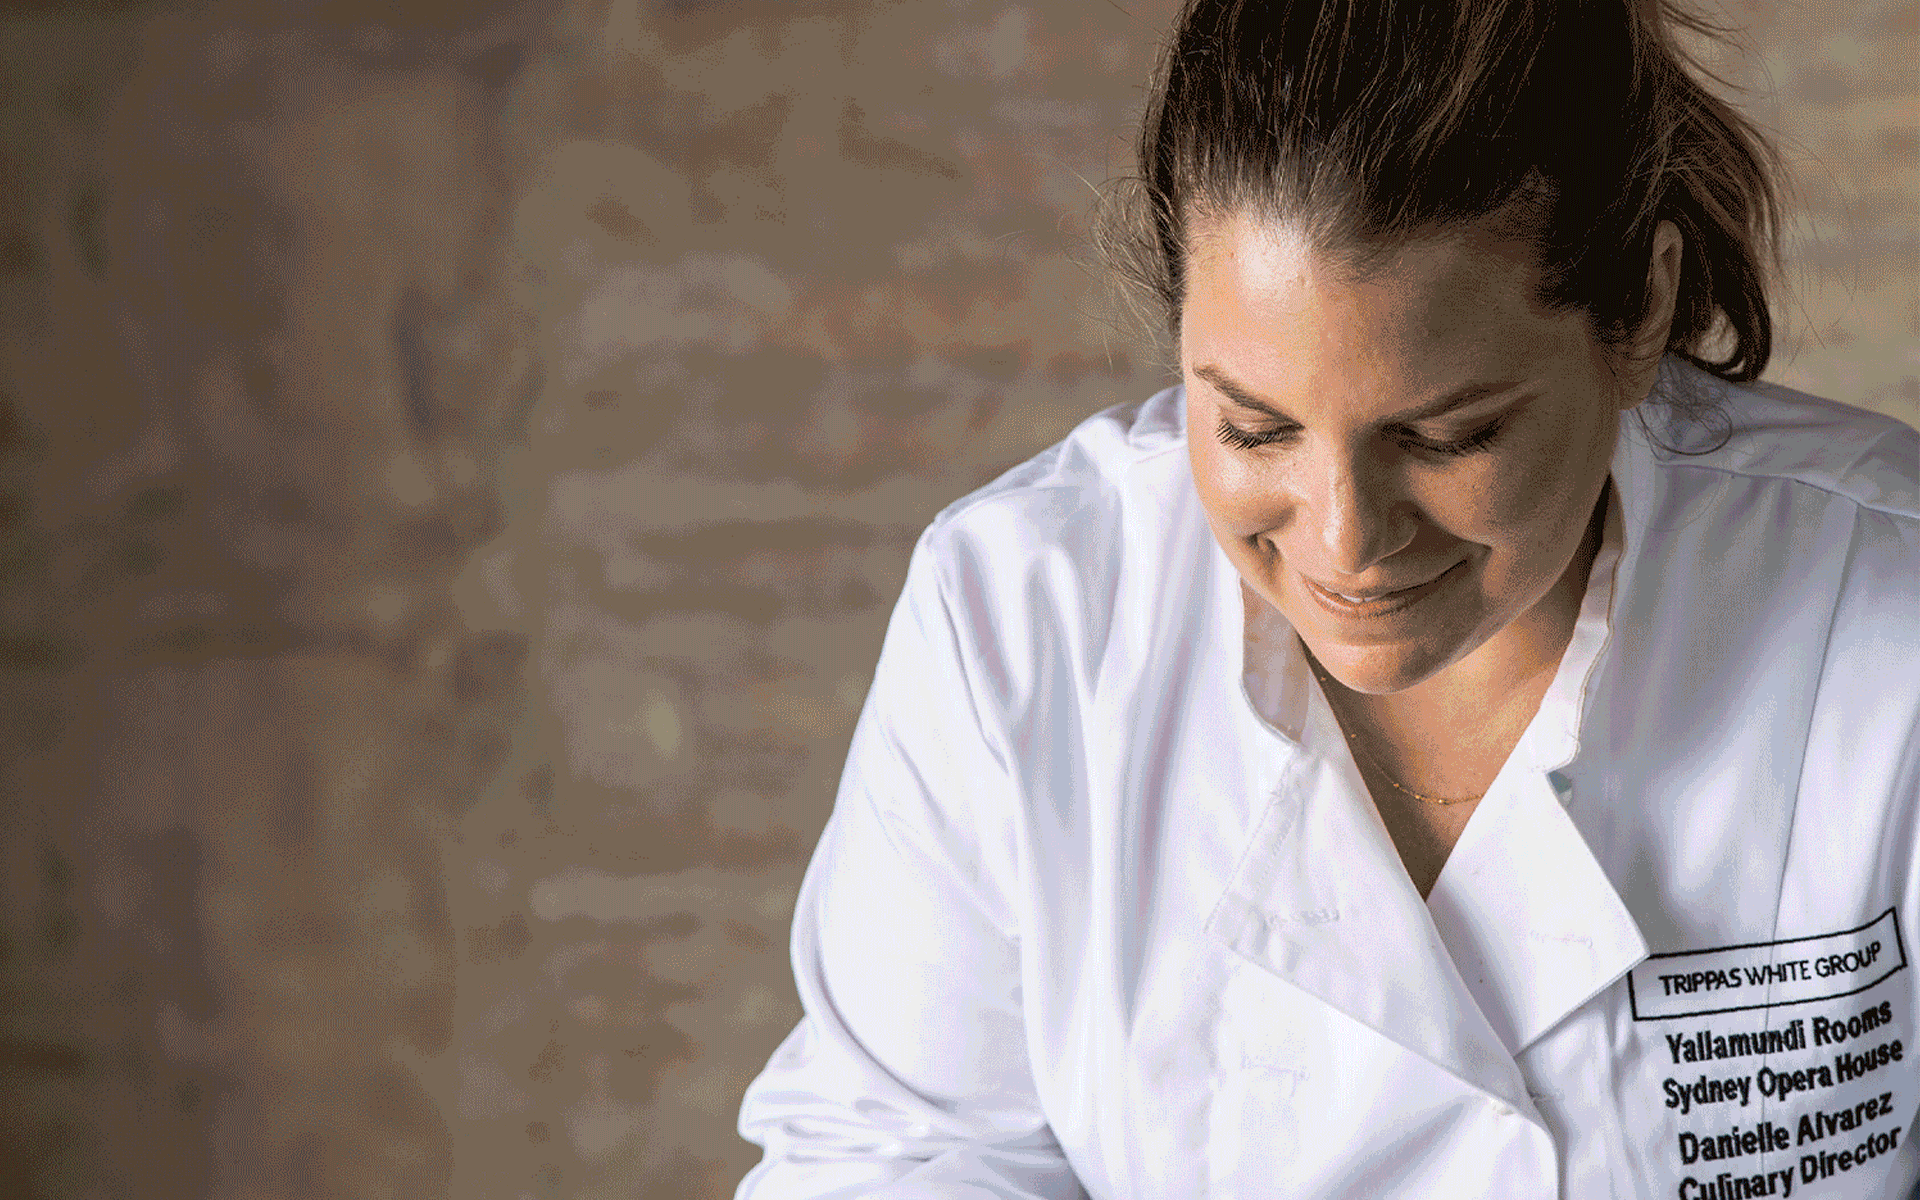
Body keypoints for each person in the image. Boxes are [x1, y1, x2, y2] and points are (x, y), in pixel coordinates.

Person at [735, 0, 1920, 1195]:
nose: (1347, 542)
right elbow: (893, 1155)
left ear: (1642, 310)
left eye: (1448, 436)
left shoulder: (1884, 596)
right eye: (1254, 429)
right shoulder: (1021, 617)